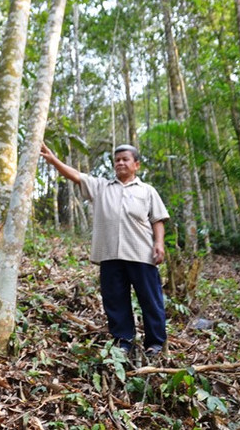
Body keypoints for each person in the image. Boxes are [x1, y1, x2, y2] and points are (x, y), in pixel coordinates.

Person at [40, 142, 170, 357]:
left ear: (136, 165)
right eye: (117, 160)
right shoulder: (101, 187)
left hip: (141, 253)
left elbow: (158, 219)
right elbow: (77, 176)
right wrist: (53, 160)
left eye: (125, 159)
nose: (120, 163)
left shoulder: (147, 191)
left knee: (150, 299)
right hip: (110, 254)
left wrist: (159, 244)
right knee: (115, 300)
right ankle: (123, 341)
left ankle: (155, 343)